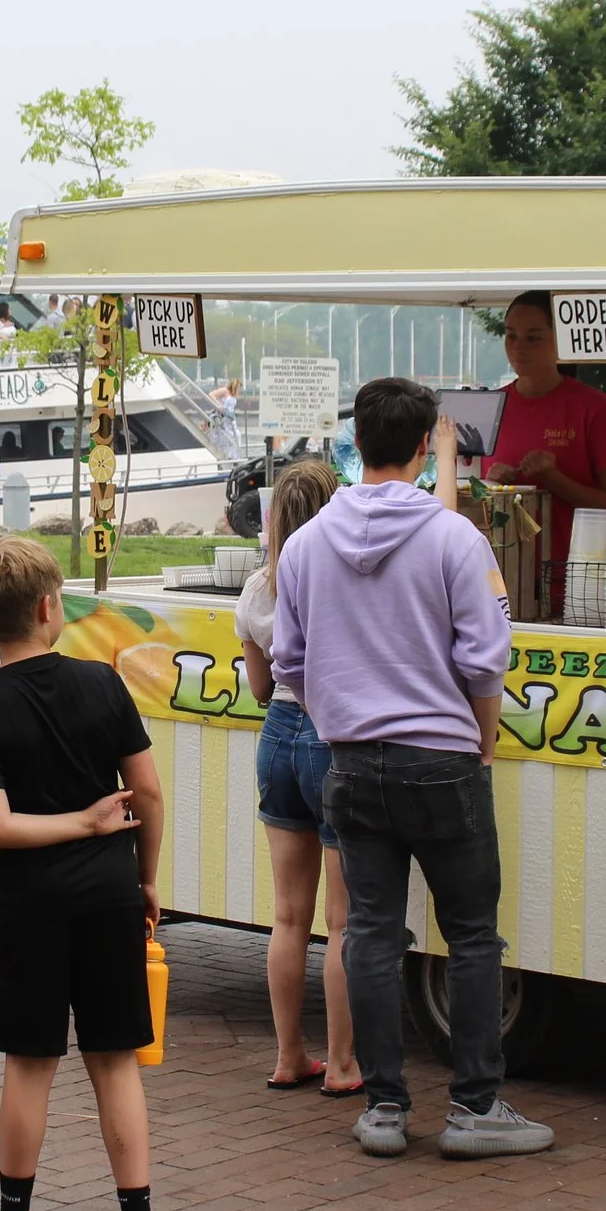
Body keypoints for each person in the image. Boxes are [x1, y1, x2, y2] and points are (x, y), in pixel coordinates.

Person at [274, 377, 551, 1162]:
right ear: (431, 441)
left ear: (355, 441)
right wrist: (482, 742)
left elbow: (289, 662)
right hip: (444, 760)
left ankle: (386, 1106)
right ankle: (475, 1106)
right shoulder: (456, 539)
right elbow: (484, 660)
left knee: (368, 933)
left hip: (351, 762)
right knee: (469, 936)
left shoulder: (305, 545)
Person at [0, 537, 169, 1211]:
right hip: (109, 891)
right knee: (115, 1061)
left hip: (30, 901)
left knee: (29, 1061)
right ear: (49, 607)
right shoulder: (103, 685)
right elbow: (148, 793)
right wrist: (143, 873)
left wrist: (67, 825)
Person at [235, 460, 358, 1097]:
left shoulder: (259, 588)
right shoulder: (344, 579)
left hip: (277, 735)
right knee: (341, 923)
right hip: (331, 737)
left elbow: (259, 686)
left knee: (288, 918)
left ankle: (289, 1056)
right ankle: (342, 1065)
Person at [482, 290, 606, 562]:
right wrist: (489, 484)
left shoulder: (594, 409)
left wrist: (555, 480)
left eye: (534, 337)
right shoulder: (490, 406)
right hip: (500, 581)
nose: (518, 347)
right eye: (511, 335)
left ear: (559, 340)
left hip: (573, 582)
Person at [207, 378, 244, 460]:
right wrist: (218, 404)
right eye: (239, 388)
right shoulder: (225, 390)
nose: (239, 390)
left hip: (230, 417)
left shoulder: (233, 394)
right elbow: (211, 394)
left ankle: (233, 456)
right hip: (223, 416)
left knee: (237, 435)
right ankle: (227, 455)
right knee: (226, 435)